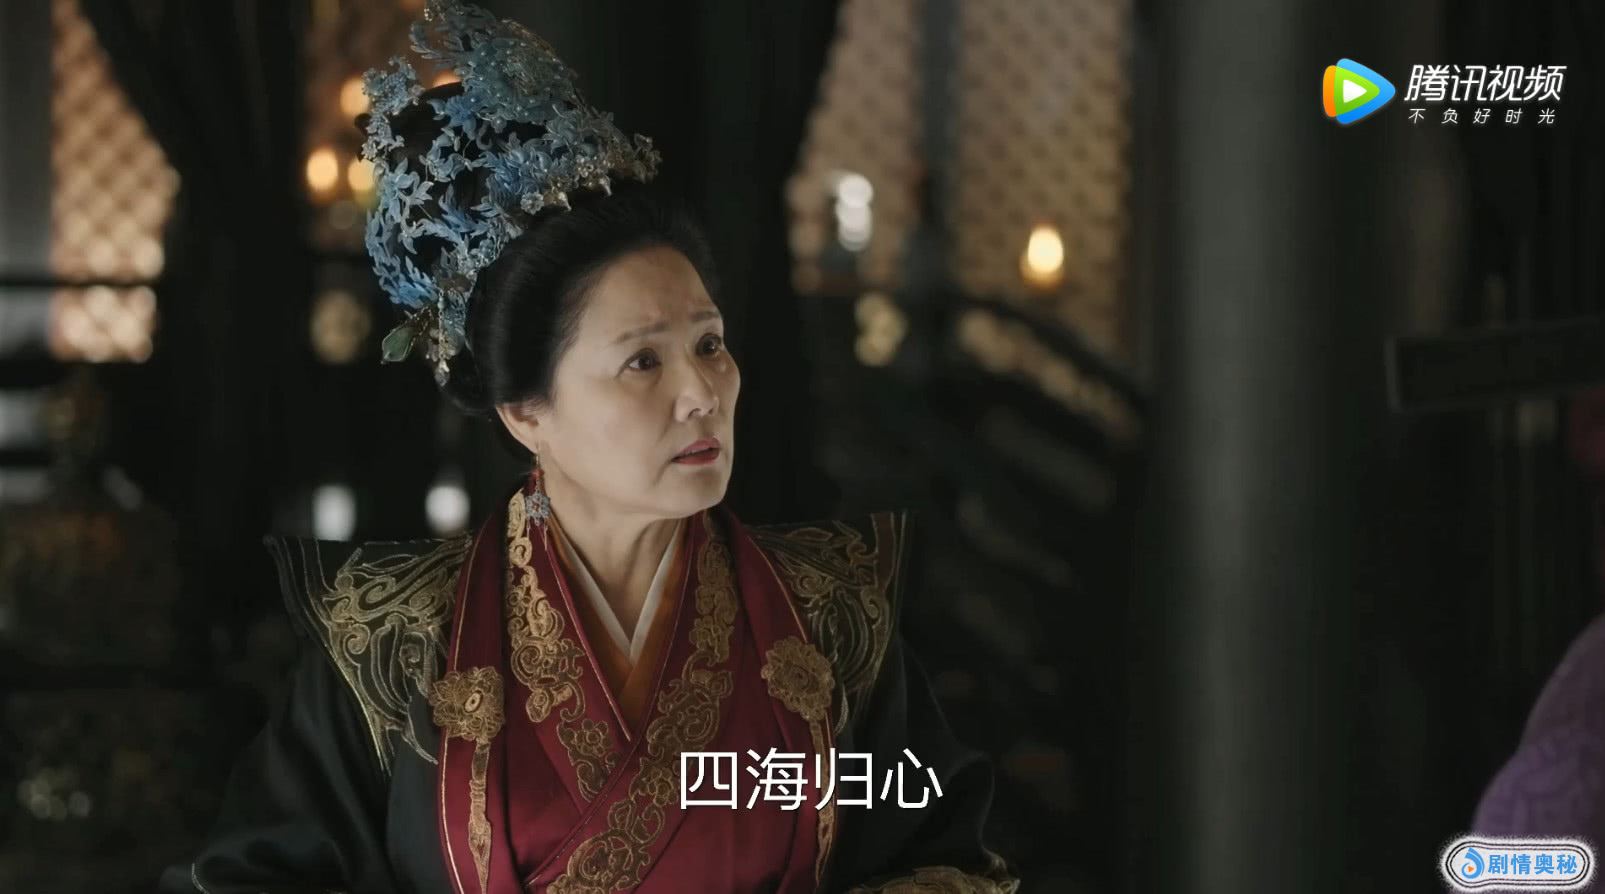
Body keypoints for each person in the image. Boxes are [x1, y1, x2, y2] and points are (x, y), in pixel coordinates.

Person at [157, 2, 1015, 892]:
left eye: (709, 343)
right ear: (525, 413)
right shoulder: (390, 644)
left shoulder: (834, 620)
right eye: (642, 361)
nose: (702, 391)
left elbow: (946, 859)